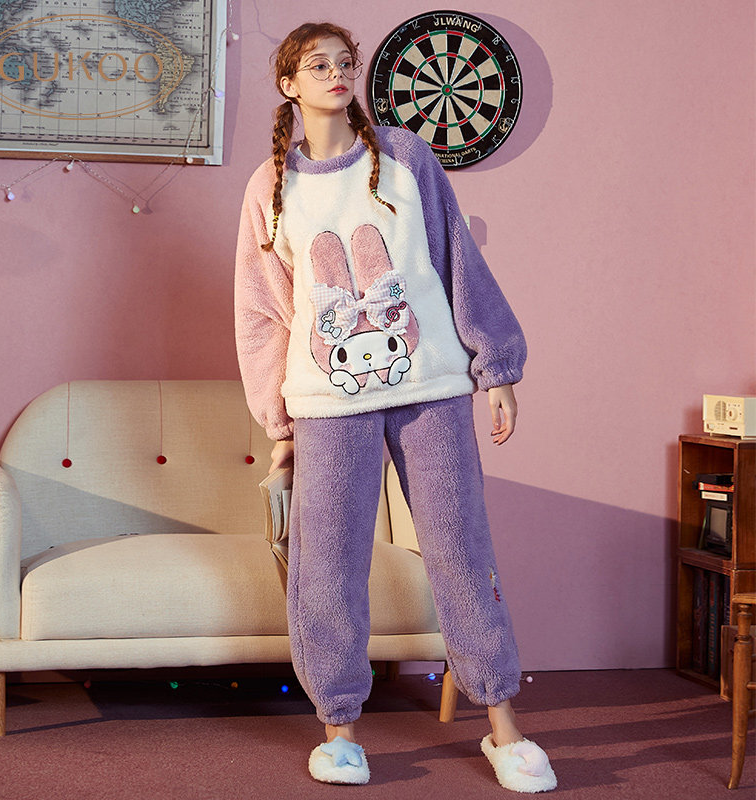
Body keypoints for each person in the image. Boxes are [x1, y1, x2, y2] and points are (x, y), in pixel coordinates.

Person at [234, 21, 557, 793]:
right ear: (289, 84)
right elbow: (264, 310)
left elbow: (456, 260)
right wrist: (279, 425)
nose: (337, 73)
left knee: (460, 553)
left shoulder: (407, 157)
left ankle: (504, 728)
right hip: (327, 404)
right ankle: (340, 731)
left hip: (431, 389)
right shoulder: (269, 186)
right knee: (327, 566)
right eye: (318, 64)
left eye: (346, 62)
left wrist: (497, 367)